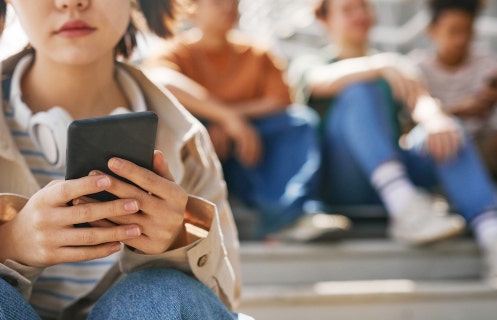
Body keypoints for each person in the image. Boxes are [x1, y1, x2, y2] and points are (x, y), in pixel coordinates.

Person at [0, 0, 243, 319]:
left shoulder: (187, 141)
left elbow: (224, 304)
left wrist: (177, 242)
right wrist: (4, 245)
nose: (72, 2)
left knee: (164, 294)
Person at [288, 0, 497, 277]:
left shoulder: (395, 66)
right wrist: (380, 65)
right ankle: (406, 208)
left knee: (448, 130)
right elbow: (319, 80)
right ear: (325, 21)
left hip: (394, 179)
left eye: (363, 6)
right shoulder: (312, 63)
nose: (359, 15)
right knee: (359, 90)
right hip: (342, 181)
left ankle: (493, 237)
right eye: (348, 9)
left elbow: (422, 101)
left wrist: (436, 119)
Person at [144, 0, 351, 241]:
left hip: (253, 153)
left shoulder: (257, 52)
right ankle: (185, 221)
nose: (229, 8)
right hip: (201, 152)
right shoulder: (175, 51)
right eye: (218, 3)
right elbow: (160, 80)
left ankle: (293, 216)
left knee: (299, 122)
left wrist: (233, 122)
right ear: (193, 9)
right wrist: (225, 117)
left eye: (234, 2)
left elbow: (281, 100)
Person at [409, 0, 497, 181]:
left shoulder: (490, 64)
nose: (461, 40)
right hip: (438, 147)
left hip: (483, 147)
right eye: (453, 31)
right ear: (432, 30)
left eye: (467, 31)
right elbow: (410, 126)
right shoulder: (415, 68)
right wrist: (460, 111)